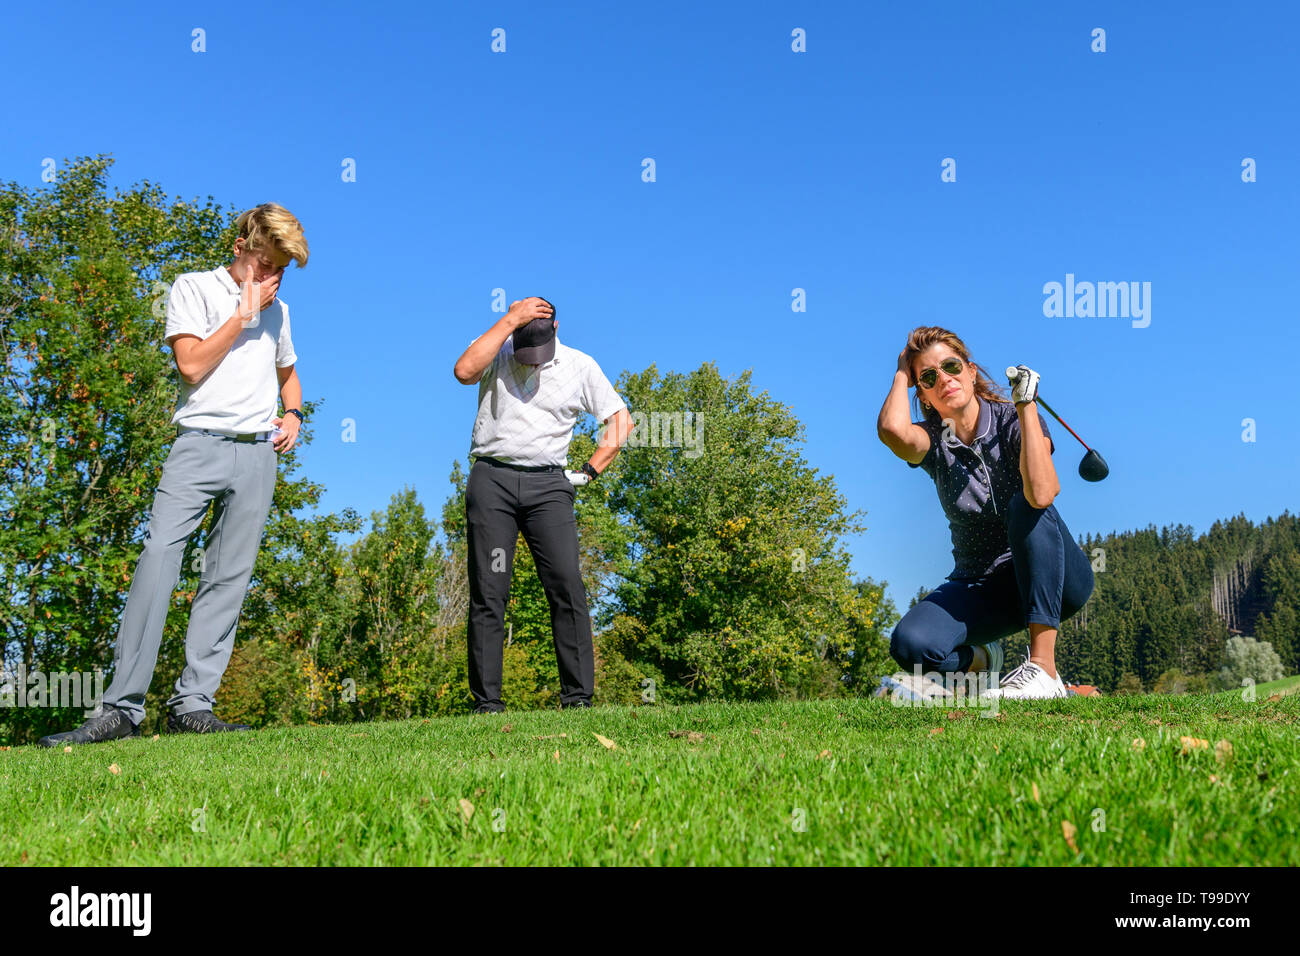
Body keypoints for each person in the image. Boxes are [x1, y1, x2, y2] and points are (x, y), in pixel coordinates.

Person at [38, 203, 310, 746]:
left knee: (228, 579)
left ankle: (193, 705)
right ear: (241, 249)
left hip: (257, 455)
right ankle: (120, 708)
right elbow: (190, 365)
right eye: (267, 263)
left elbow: (290, 375)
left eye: (282, 269)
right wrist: (242, 311)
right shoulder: (193, 288)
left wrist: (294, 415)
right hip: (197, 446)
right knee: (158, 560)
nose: (274, 278)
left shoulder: (280, 314)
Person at [875, 326, 1094, 699]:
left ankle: (1044, 669)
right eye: (928, 377)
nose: (943, 378)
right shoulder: (933, 440)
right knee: (910, 645)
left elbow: (1043, 493)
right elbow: (893, 429)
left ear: (971, 371)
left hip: (1053, 582)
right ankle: (982, 663)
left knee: (1026, 503)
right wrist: (901, 370)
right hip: (980, 585)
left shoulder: (1013, 419)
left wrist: (1026, 406)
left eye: (951, 366)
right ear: (924, 395)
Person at [453, 297, 634, 711]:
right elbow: (463, 372)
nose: (531, 362)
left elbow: (621, 421)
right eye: (524, 350)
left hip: (549, 489)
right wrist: (508, 321)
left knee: (566, 586)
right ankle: (487, 704)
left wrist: (589, 471)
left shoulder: (579, 365)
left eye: (538, 353)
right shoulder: (497, 348)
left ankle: (577, 699)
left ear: (556, 330)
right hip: (492, 481)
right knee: (489, 590)